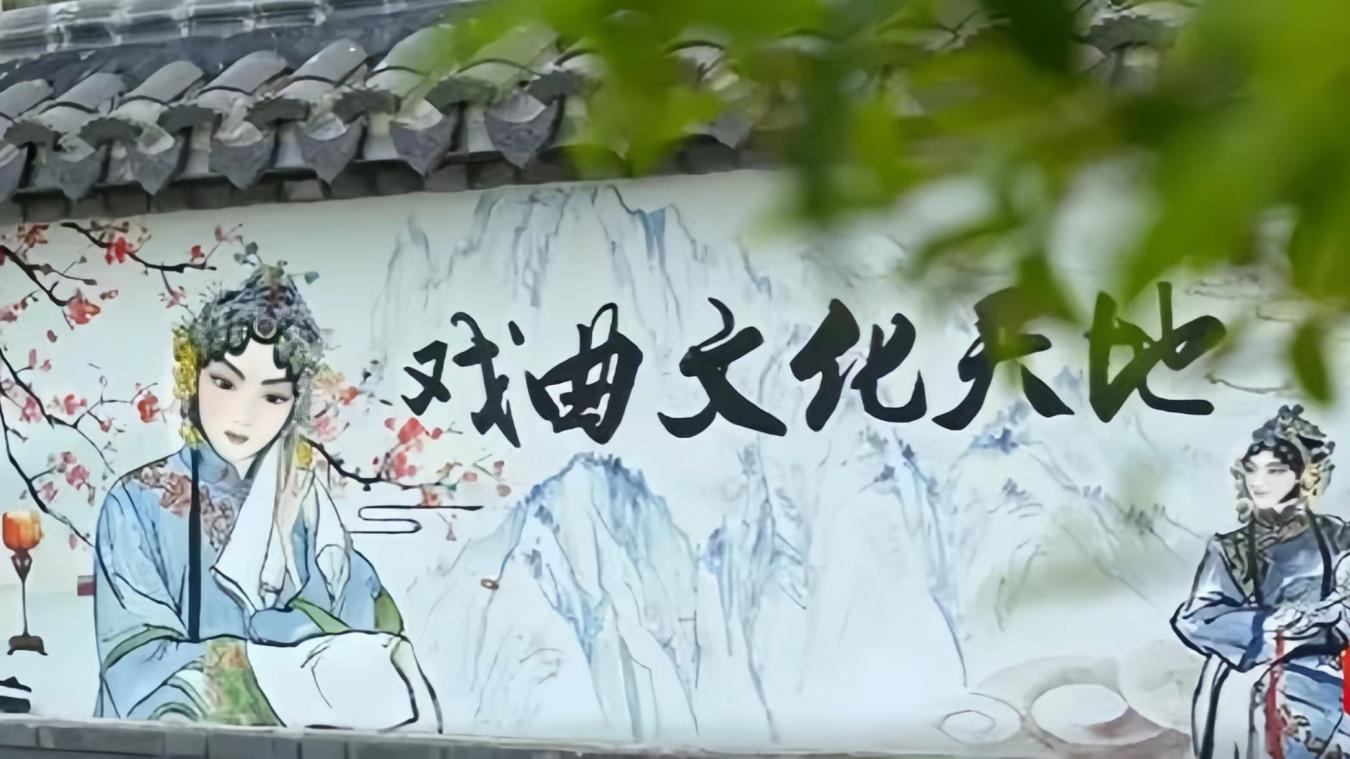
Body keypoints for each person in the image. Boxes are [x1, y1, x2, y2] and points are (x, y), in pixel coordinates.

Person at [92, 262, 439, 730]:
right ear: (193, 376)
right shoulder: (136, 502)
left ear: (296, 404)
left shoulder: (310, 513)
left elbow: (370, 643)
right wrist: (279, 655)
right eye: (224, 383)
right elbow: (135, 664)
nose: (243, 414)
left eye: (273, 397)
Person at [1173, 404, 1350, 759]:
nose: (1259, 482)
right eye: (1252, 470)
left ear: (1304, 476)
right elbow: (1196, 618)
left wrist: (1331, 620)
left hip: (1331, 680)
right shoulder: (1231, 548)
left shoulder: (1339, 538)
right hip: (1252, 680)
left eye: (1275, 471)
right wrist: (1271, 625)